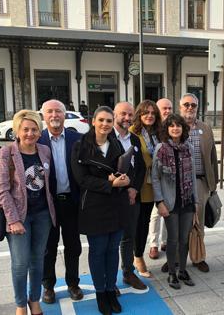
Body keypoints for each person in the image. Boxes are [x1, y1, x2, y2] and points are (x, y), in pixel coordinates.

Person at [71, 106, 130, 314]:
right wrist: (109, 182)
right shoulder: (81, 146)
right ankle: (100, 293)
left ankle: (110, 289)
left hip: (117, 205)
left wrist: (125, 179)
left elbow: (124, 166)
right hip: (94, 207)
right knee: (98, 252)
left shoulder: (115, 143)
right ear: (93, 121)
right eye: (101, 120)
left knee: (113, 250)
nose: (105, 124)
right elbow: (81, 179)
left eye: (109, 120)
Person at [0, 110, 56, 315]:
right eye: (26, 129)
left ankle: (34, 299)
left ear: (40, 131)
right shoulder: (6, 153)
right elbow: (2, 190)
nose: (30, 133)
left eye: (34, 129)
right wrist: (13, 220)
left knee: (38, 260)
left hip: (42, 215)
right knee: (20, 263)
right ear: (17, 131)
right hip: (19, 217)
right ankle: (21, 304)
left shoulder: (44, 150)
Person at [39, 100, 83, 303]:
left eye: (58, 111)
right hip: (47, 204)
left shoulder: (77, 139)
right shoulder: (36, 139)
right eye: (50, 111)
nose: (54, 115)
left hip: (72, 202)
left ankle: (73, 283)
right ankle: (48, 286)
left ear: (65, 115)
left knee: (73, 246)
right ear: (43, 116)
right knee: (49, 247)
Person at [152, 114, 198, 289]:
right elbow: (155, 178)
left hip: (187, 200)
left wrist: (196, 202)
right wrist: (160, 202)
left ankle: (183, 270)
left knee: (184, 239)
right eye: (171, 126)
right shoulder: (161, 149)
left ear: (183, 128)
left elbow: (192, 176)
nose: (175, 128)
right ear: (167, 129)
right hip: (170, 203)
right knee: (173, 239)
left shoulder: (189, 148)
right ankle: (172, 273)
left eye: (178, 125)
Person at [178, 93, 218, 273]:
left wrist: (213, 183)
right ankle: (177, 258)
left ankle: (198, 257)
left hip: (201, 181)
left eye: (193, 105)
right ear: (180, 107)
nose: (190, 108)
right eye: (186, 104)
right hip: (179, 183)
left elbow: (212, 158)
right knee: (179, 222)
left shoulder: (205, 128)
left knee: (198, 222)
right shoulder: (173, 126)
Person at [114, 102, 147, 291]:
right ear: (115, 115)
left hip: (133, 197)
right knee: (111, 239)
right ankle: (109, 281)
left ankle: (128, 273)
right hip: (113, 198)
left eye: (130, 115)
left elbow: (141, 167)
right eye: (123, 114)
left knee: (129, 237)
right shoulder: (106, 137)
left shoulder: (135, 139)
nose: (127, 118)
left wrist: (134, 188)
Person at [129, 100, 162, 277]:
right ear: (139, 115)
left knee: (144, 222)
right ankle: (136, 257)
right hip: (136, 184)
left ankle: (138, 254)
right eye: (145, 113)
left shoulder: (159, 133)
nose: (149, 115)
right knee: (134, 223)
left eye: (152, 113)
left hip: (152, 184)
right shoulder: (132, 133)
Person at [148, 98, 173, 259]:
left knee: (169, 209)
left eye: (170, 108)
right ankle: (153, 244)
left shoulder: (173, 126)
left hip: (170, 176)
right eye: (164, 108)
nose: (167, 111)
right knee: (156, 212)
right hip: (155, 175)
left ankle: (165, 240)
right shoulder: (153, 129)